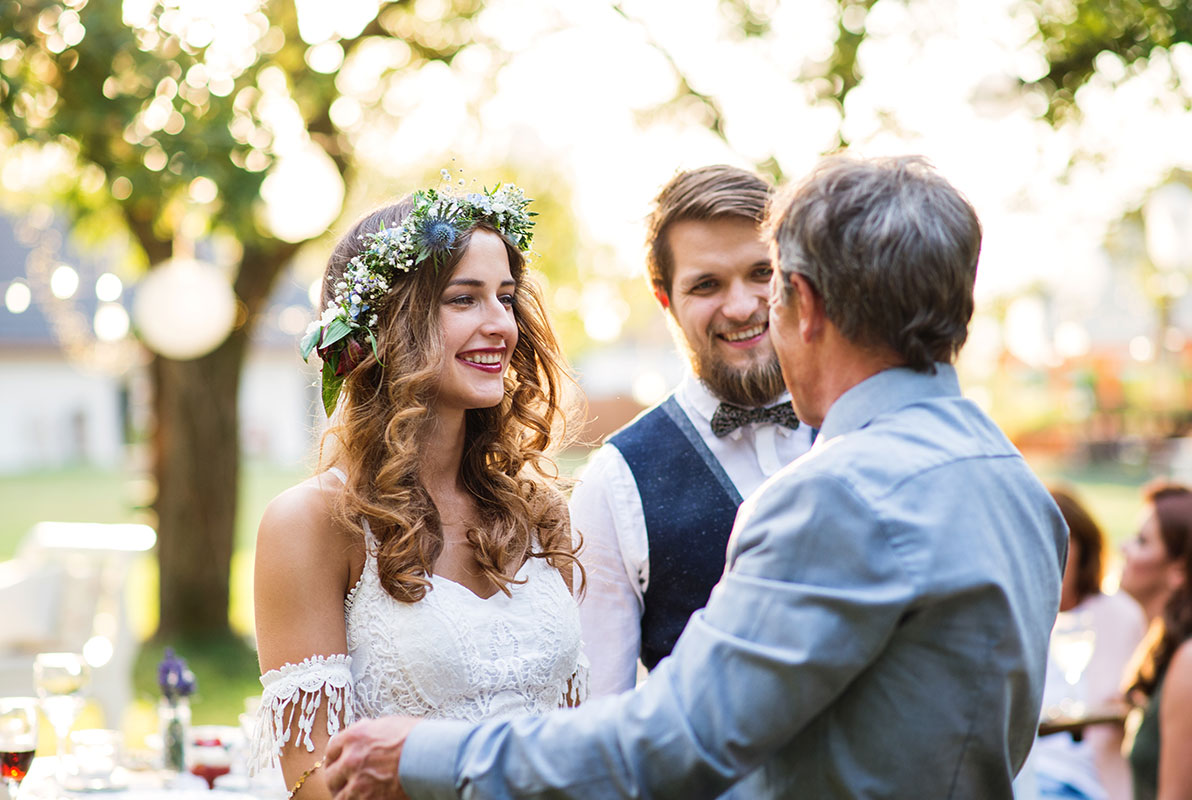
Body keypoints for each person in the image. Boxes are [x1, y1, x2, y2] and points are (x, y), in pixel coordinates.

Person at [322, 155, 1068, 799]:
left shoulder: (835, 495)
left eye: (769, 287)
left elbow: (674, 740)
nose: (750, 312)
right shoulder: (1017, 485)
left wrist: (419, 754)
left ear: (801, 305)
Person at [249, 179, 587, 800]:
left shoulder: (538, 513)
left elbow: (572, 738)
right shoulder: (314, 523)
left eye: (506, 299)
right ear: (385, 323)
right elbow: (313, 782)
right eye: (464, 299)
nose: (500, 326)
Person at [572, 165, 814, 695]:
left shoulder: (860, 425)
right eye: (707, 284)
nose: (742, 305)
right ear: (665, 299)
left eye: (761, 273)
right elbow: (602, 718)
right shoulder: (615, 483)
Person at [1026, 487, 1146, 800]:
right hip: (1024, 771)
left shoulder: (1118, 615)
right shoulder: (1019, 616)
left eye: (1059, 540)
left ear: (1083, 548)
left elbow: (1132, 702)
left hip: (1081, 777)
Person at [1120, 482, 1192, 800]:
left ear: (1178, 570)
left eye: (1142, 541)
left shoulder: (1188, 662)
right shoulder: (1164, 646)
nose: (1124, 547)